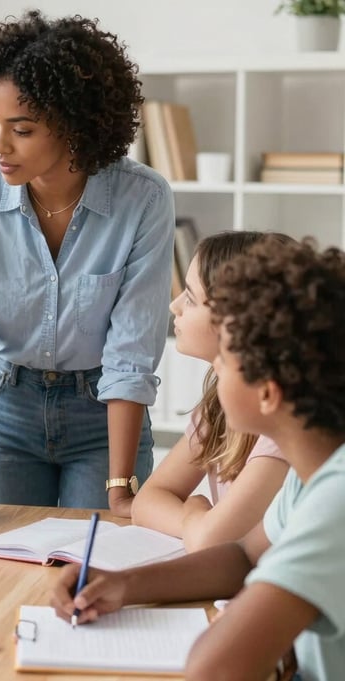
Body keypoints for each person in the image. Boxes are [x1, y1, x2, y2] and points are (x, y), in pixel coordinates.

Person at [0, 10, 175, 533]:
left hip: (101, 419)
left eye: (22, 129)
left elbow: (131, 354)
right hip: (7, 411)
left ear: (74, 126)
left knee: (93, 565)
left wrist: (120, 486)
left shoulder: (143, 199)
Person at [52, 237, 345, 680]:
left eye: (225, 358)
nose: (216, 371)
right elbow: (243, 557)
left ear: (267, 393)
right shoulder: (312, 478)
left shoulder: (337, 499)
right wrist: (123, 585)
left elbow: (216, 668)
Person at [131, 231, 291, 551]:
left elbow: (209, 541)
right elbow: (146, 501)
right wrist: (198, 521)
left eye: (190, 298)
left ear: (234, 320)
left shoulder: (282, 429)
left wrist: (195, 509)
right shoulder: (219, 406)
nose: (175, 306)